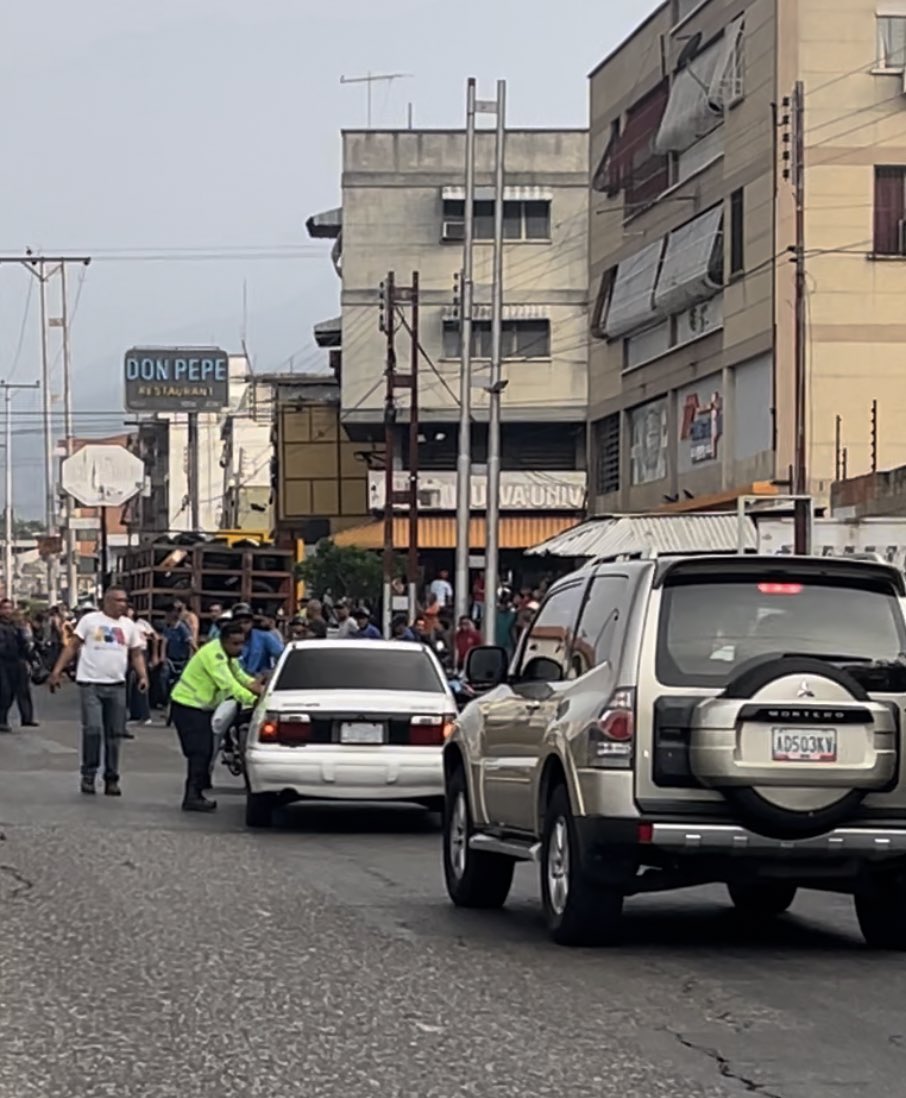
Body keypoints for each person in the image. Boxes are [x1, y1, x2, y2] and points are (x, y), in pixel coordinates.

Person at [49, 586, 147, 796]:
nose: (123, 604)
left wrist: (143, 675)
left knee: (114, 734)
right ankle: (89, 775)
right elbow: (72, 646)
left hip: (117, 685)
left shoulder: (129, 626)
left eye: (125, 600)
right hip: (90, 684)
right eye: (119, 600)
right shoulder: (90, 621)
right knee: (93, 730)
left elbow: (136, 653)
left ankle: (111, 778)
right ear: (107, 602)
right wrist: (56, 671)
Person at [169, 621, 263, 812]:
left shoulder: (228, 655)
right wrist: (254, 701)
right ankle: (192, 796)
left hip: (201, 708)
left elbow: (240, 677)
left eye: (242, 643)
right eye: (235, 644)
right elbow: (229, 685)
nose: (240, 648)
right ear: (224, 641)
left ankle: (196, 792)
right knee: (199, 752)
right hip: (188, 706)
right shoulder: (214, 655)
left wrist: (260, 690)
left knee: (205, 750)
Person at [0, 599, 30, 732]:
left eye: (9, 608)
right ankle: (2, 720)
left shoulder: (16, 626)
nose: (7, 611)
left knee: (12, 691)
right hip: (1, 661)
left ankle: (3, 719)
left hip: (15, 661)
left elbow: (23, 644)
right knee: (4, 691)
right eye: (4, 608)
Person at [233, 603, 284, 675]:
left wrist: (272, 672)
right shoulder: (228, 638)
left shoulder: (265, 637)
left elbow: (282, 656)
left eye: (246, 622)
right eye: (239, 623)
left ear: (252, 622)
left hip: (260, 680)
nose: (242, 626)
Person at [162, 603, 195, 703]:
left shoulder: (182, 628)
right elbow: (164, 642)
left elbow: (190, 642)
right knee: (164, 677)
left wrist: (197, 654)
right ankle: (165, 701)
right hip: (170, 660)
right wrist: (162, 656)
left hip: (182, 660)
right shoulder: (168, 628)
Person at [11, 608, 37, 728]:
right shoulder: (11, 629)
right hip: (11, 661)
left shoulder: (25, 628)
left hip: (21, 661)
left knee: (23, 691)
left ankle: (27, 717)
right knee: (8, 693)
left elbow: (29, 645)